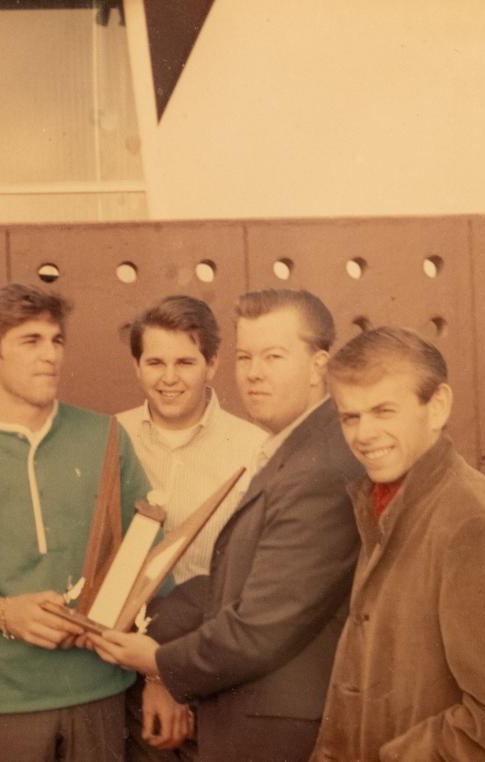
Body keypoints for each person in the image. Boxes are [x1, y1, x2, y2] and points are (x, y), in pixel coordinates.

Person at [90, 288, 363, 762]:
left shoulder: (316, 466)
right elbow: (228, 583)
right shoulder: (291, 450)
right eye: (247, 357)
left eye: (274, 356)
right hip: (222, 695)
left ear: (320, 364)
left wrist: (157, 661)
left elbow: (261, 625)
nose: (254, 373)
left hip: (270, 720)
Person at [0, 284, 150, 762]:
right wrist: (3, 614)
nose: (51, 356)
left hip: (102, 689)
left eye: (56, 340)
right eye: (31, 341)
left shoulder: (105, 436)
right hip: (1, 701)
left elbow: (148, 553)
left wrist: (159, 670)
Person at [311, 326, 485, 761]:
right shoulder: (386, 501)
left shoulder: (471, 523)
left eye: (384, 411)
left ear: (437, 406)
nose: (364, 434)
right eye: (350, 416)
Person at [116, 295, 266, 758]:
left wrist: (177, 674)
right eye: (155, 361)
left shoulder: (255, 449)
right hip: (128, 677)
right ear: (137, 366)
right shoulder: (109, 441)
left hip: (224, 672)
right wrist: (155, 676)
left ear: (213, 363)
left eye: (185, 361)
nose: (169, 377)